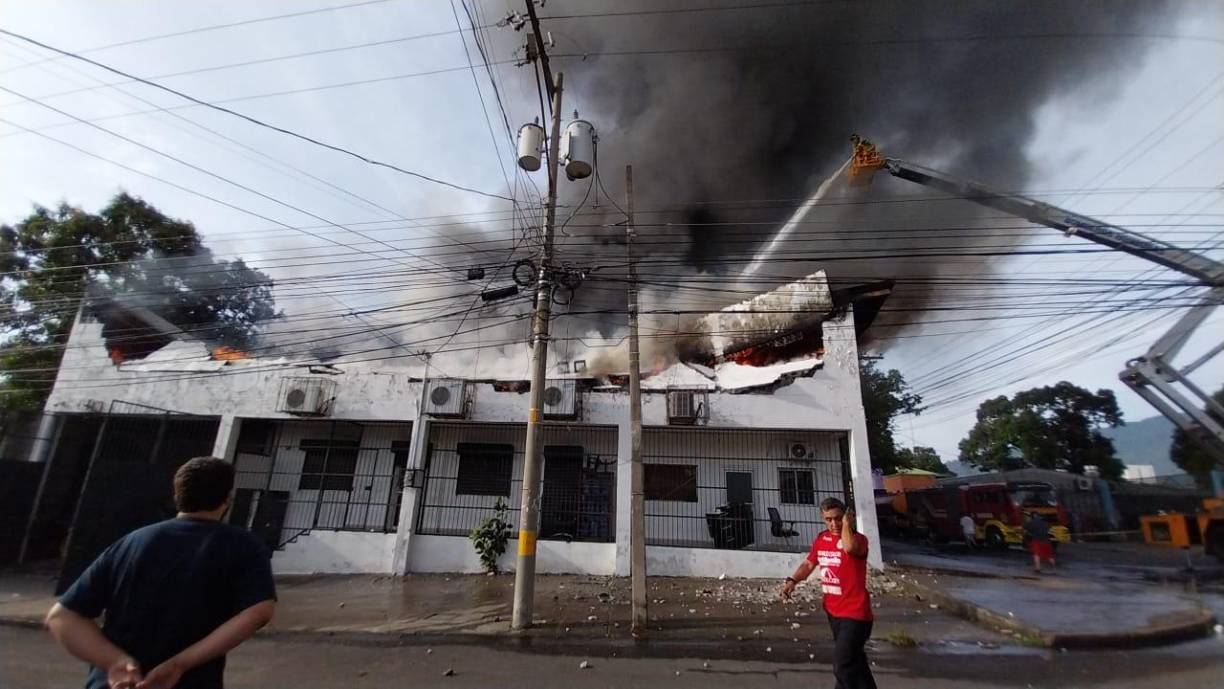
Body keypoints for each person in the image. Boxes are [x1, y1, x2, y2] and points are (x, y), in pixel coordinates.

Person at [45, 457, 277, 689]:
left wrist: (115, 661)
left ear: (177, 496)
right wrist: (179, 664)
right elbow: (258, 612)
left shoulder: (131, 542)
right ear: (227, 499)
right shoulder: (243, 546)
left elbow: (62, 617)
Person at [781, 497, 876, 689]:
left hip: (855, 614)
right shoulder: (821, 539)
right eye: (828, 519)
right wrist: (793, 580)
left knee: (842, 666)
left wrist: (847, 525)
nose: (834, 524)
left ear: (846, 517)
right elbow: (809, 564)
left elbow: (849, 548)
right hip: (833, 612)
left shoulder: (859, 540)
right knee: (855, 665)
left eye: (838, 518)